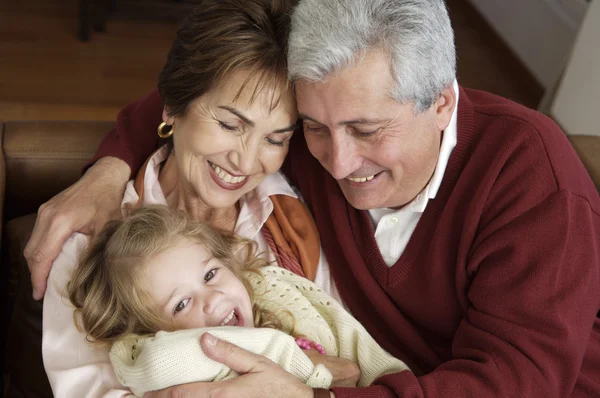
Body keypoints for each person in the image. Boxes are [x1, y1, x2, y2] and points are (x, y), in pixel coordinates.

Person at [31, 0, 600, 397]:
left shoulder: (531, 179)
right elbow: (200, 94)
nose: (341, 165)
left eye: (368, 130)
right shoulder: (301, 139)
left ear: (444, 103)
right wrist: (106, 173)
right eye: (312, 129)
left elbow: (518, 382)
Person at [40, 1, 360, 397]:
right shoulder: (91, 245)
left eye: (275, 139)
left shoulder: (293, 221)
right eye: (229, 124)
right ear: (172, 108)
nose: (245, 160)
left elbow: (345, 362)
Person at [68, 205, 409, 397]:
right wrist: (302, 364)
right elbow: (155, 362)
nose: (213, 299)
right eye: (181, 304)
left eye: (210, 275)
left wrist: (393, 384)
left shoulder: (276, 290)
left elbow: (360, 349)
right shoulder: (165, 357)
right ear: (150, 329)